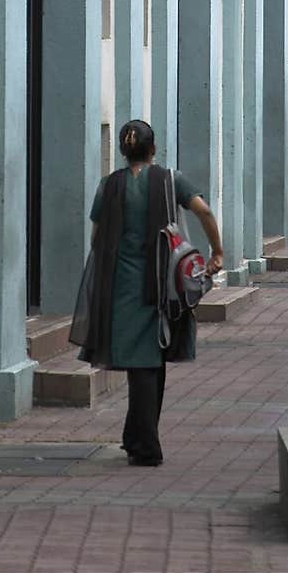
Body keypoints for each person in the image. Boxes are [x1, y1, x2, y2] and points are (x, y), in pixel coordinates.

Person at [75, 119, 224, 467]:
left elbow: (97, 237)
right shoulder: (171, 180)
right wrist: (216, 251)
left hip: (124, 287)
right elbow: (203, 209)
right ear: (153, 148)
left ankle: (137, 438)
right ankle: (145, 445)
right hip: (163, 286)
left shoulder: (109, 185)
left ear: (124, 152)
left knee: (142, 363)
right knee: (149, 362)